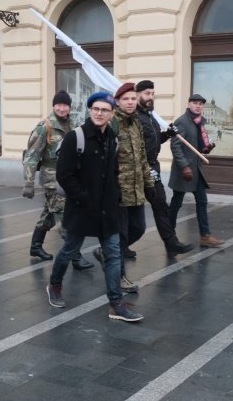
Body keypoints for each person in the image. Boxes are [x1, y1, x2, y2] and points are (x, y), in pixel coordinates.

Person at [47, 92, 143, 322]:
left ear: (111, 114)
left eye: (105, 110)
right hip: (81, 209)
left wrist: (116, 197)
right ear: (90, 110)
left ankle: (115, 304)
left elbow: (113, 172)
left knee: (112, 255)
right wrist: (84, 198)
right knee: (70, 250)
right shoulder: (75, 138)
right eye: (96, 109)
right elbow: (65, 175)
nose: (99, 113)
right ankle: (54, 285)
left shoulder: (112, 137)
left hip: (108, 210)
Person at [22, 90, 93, 271]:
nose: (62, 108)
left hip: (68, 177)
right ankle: (75, 256)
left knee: (49, 212)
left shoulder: (73, 125)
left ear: (69, 107)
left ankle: (36, 246)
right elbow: (31, 156)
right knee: (65, 217)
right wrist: (28, 183)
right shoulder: (44, 127)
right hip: (53, 180)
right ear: (54, 106)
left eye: (65, 105)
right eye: (59, 105)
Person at [94, 82, 155, 293]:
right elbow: (100, 158)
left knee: (138, 228)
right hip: (117, 191)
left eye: (132, 98)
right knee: (119, 236)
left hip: (136, 189)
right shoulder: (112, 124)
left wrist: (149, 183)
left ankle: (105, 252)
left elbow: (143, 157)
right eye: (125, 99)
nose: (130, 102)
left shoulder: (136, 123)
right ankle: (119, 277)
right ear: (118, 102)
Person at [134, 80, 193, 257]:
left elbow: (153, 141)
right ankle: (116, 247)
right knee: (131, 213)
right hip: (139, 170)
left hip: (153, 168)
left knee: (160, 206)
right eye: (146, 94)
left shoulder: (150, 116)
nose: (150, 97)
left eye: (152, 94)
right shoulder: (134, 117)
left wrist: (167, 134)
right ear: (137, 95)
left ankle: (171, 243)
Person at [168, 93, 224, 248]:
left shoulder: (200, 122)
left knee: (202, 201)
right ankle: (169, 235)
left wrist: (207, 148)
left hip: (197, 170)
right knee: (176, 203)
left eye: (200, 104)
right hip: (184, 171)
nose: (198, 106)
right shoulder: (182, 121)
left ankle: (205, 236)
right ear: (189, 104)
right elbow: (175, 145)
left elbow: (199, 148)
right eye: (195, 103)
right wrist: (184, 166)